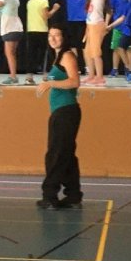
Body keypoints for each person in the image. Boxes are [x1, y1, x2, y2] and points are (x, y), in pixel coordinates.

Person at [36, 23, 82, 210]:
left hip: (66, 111)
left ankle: (50, 195)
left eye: (57, 35)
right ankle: (73, 195)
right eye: (50, 35)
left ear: (64, 37)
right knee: (66, 154)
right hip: (60, 111)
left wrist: (51, 84)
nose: (52, 38)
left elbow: (74, 81)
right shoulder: (57, 57)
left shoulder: (67, 55)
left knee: (55, 154)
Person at [78, 0, 108, 85]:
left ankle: (100, 77)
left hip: (97, 25)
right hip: (90, 25)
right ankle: (91, 75)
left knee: (96, 52)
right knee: (87, 52)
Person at [25, 0, 60, 85]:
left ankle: (29, 77)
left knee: (31, 54)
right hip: (42, 31)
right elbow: (46, 16)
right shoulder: (44, 1)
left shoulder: (30, 2)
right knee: (46, 54)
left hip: (31, 31)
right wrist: (55, 9)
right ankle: (47, 76)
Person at [54, 0, 87, 71]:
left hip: (83, 21)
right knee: (73, 44)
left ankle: (85, 66)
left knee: (82, 45)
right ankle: (76, 66)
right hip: (71, 21)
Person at [107, 0, 130, 77]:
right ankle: (115, 69)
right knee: (116, 48)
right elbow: (110, 10)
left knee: (128, 49)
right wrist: (107, 23)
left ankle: (129, 68)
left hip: (129, 27)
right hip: (117, 26)